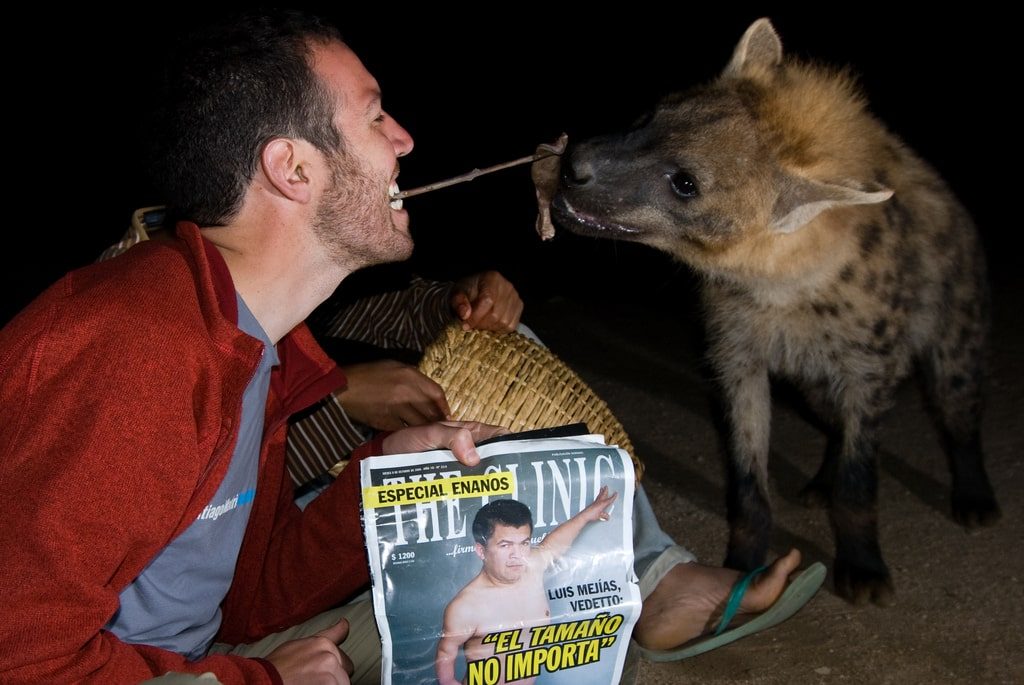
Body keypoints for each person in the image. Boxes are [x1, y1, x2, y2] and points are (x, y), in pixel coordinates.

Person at [0, 9, 819, 685]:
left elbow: (247, 602)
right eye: (373, 115)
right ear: (292, 169)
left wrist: (389, 470)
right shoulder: (135, 348)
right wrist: (260, 679)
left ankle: (652, 591)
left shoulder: (254, 348)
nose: (404, 139)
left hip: (198, 654)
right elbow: (20, 655)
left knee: (552, 620)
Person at [435, 491, 617, 685]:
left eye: (524, 544)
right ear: (481, 550)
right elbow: (446, 653)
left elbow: (553, 544)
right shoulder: (465, 607)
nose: (517, 555)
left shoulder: (532, 568)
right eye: (505, 545)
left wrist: (586, 515)